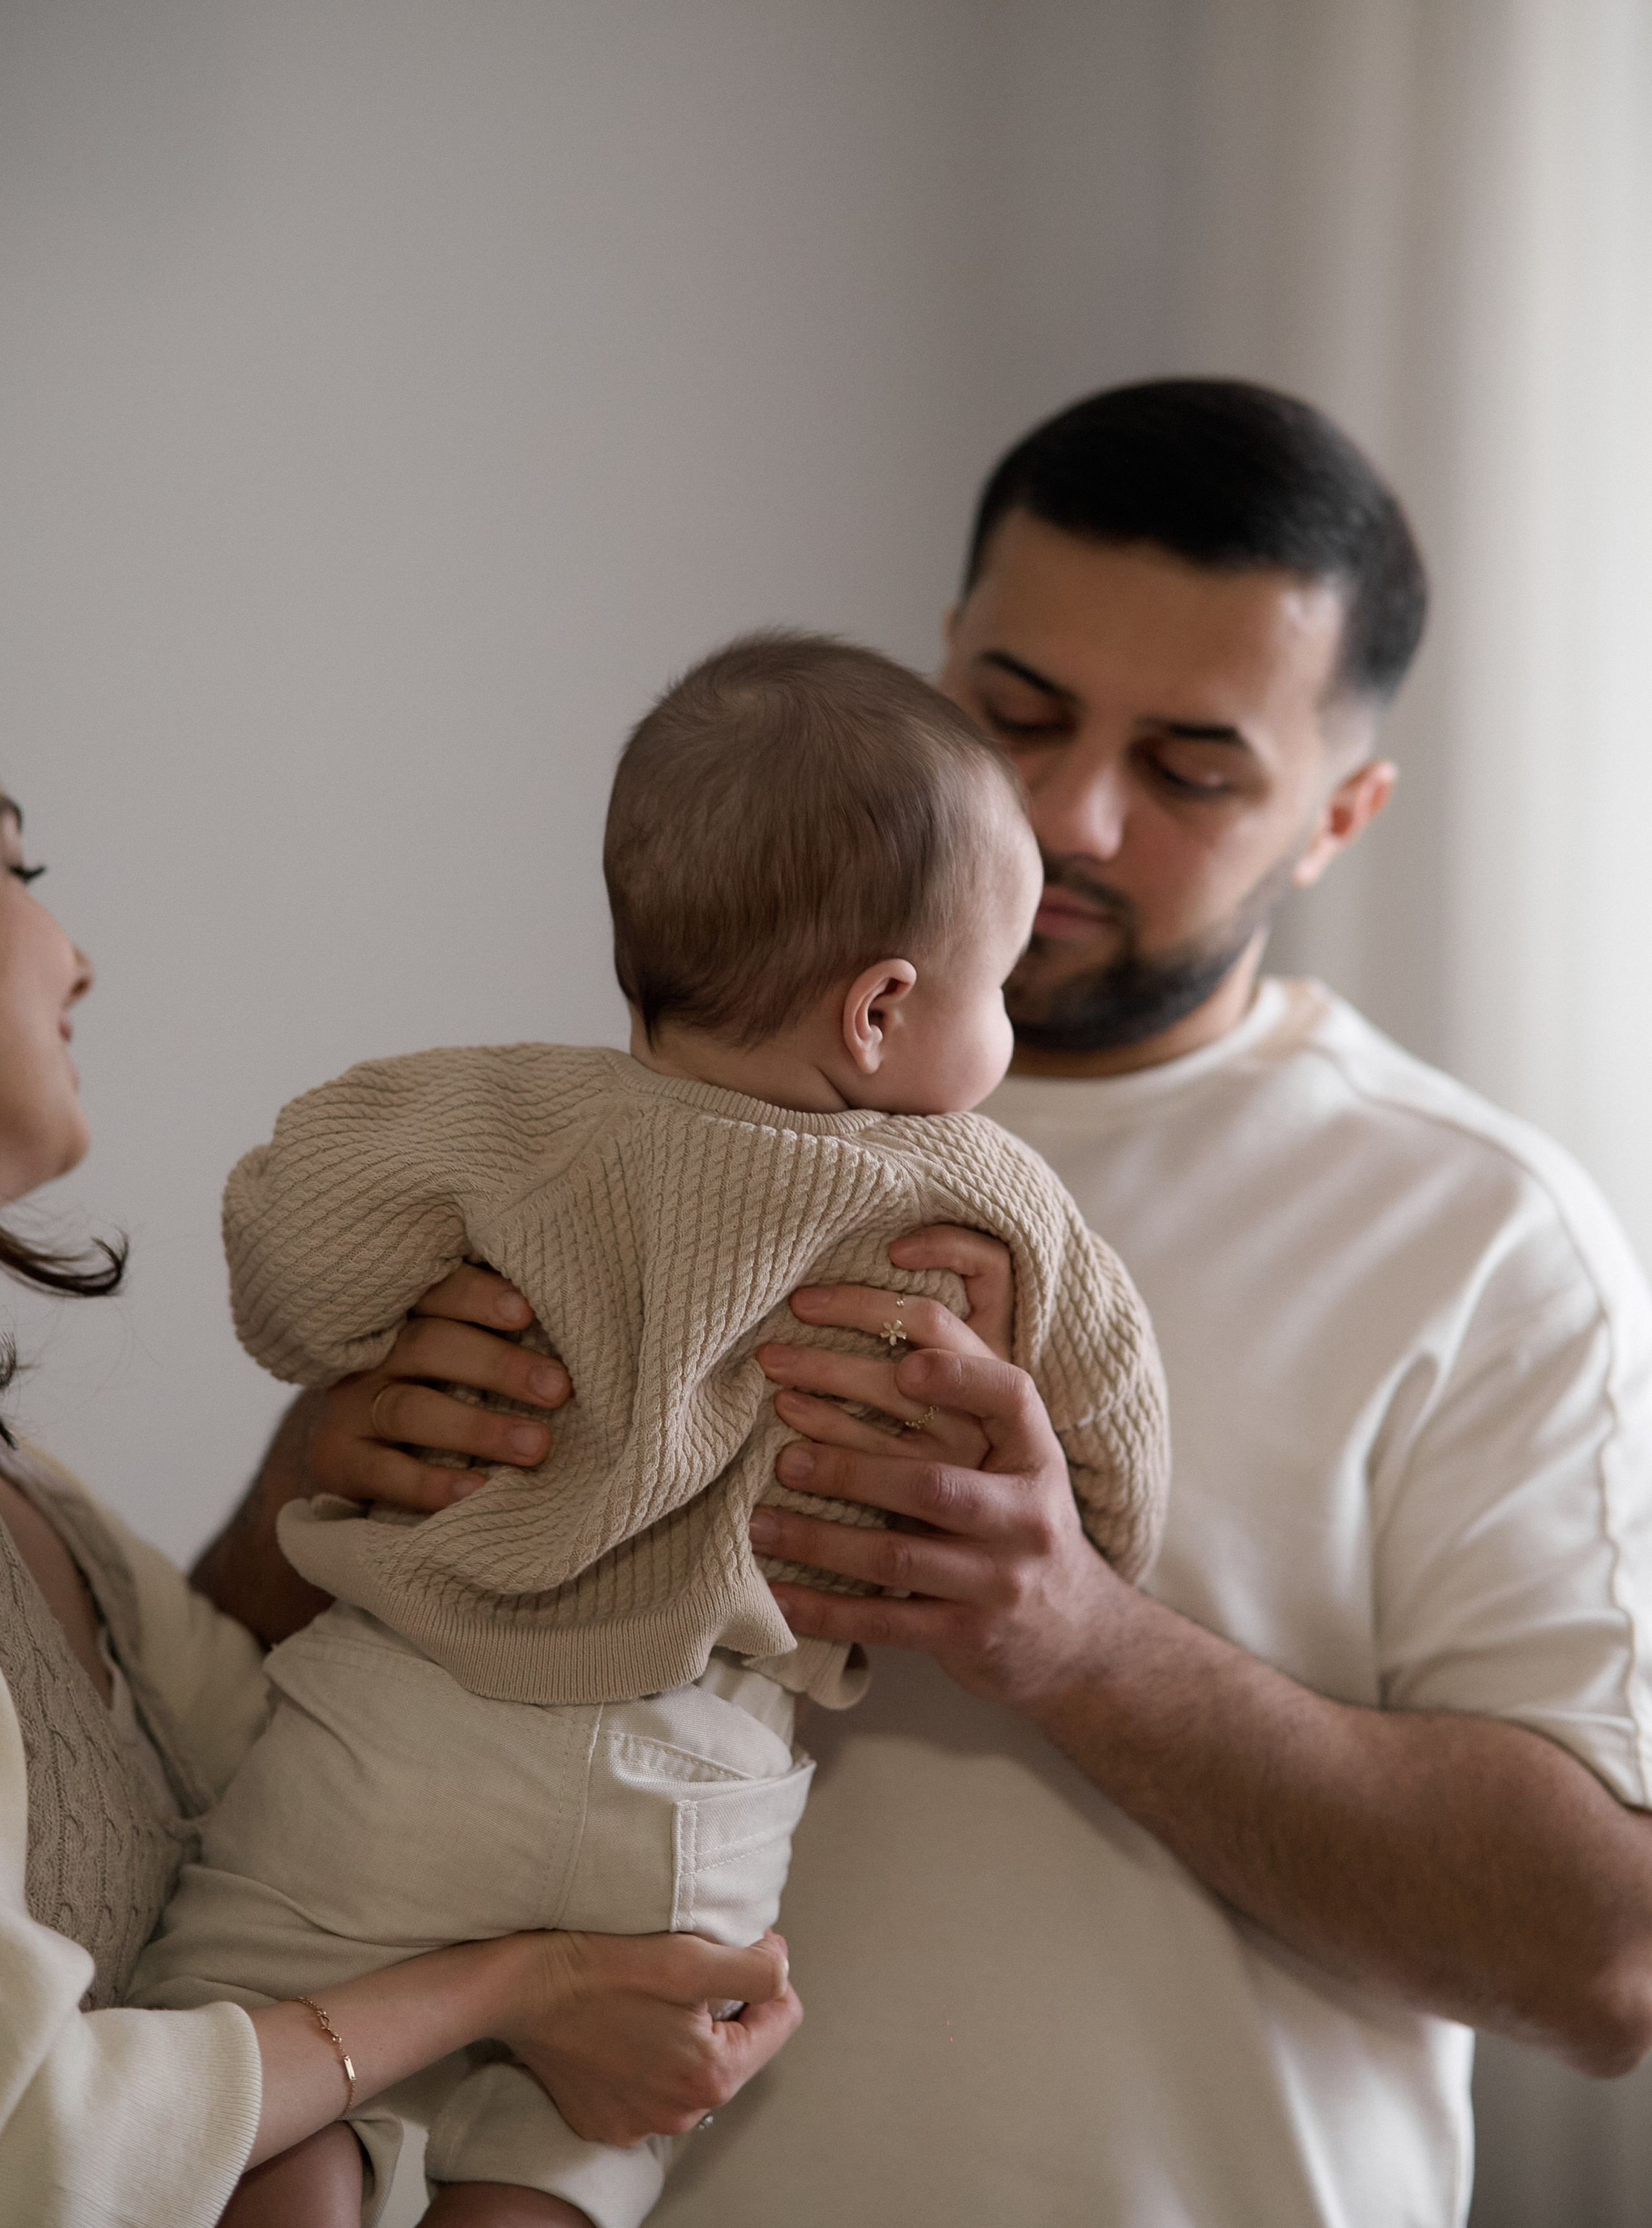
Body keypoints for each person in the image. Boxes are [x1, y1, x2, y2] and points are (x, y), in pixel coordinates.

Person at [632, 380, 1652, 2228]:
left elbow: (1603, 1960)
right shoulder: (674, 1104)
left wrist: (1081, 1642)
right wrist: (351, 1450)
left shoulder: (1486, 1236)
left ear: (1340, 814)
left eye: (1191, 769)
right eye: (1013, 714)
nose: (1069, 813)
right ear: (938, 659)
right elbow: (269, 1673)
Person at [137, 634, 1168, 2228]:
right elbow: (1104, 1465)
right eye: (1001, 983)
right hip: (694, 1799)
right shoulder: (981, 1194)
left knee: (255, 2091)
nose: (1010, 1031)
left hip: (412, 1738)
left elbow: (285, 1266)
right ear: (884, 1008)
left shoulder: (500, 1110)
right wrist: (1032, 1416)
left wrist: (380, 1338)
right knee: (562, 2162)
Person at [0, 786, 801, 2228]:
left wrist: (355, 1472)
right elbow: (38, 2140)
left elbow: (246, 1742)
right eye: (13, 870)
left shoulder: (36, 1496)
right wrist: (518, 1985)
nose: (74, 949)